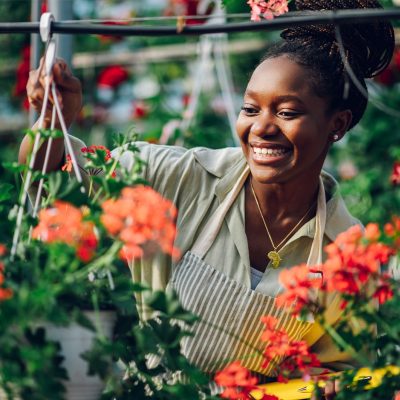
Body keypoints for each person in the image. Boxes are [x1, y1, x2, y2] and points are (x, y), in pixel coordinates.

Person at [20, 0, 394, 397]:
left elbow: (344, 370)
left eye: (287, 112)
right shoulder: (181, 177)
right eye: (251, 108)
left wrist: (329, 382)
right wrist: (50, 124)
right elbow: (56, 177)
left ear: (336, 124)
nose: (261, 128)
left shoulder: (346, 251)